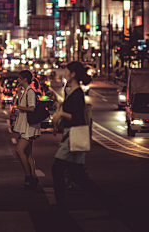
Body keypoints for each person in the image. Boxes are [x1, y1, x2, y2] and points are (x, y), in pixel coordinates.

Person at [52, 61, 114, 214]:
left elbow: (77, 118)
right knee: (78, 177)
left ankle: (61, 209)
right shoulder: (73, 92)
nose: (64, 74)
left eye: (66, 71)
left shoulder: (77, 93)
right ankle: (109, 203)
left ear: (73, 74)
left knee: (57, 171)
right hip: (71, 136)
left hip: (73, 137)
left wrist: (60, 114)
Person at [14, 70, 41, 190]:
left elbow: (31, 108)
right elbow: (20, 100)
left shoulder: (30, 91)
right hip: (25, 126)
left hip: (28, 127)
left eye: (19, 78)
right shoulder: (26, 91)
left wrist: (18, 107)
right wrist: (19, 90)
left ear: (25, 79)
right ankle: (33, 178)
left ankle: (28, 176)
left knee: (19, 151)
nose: (18, 80)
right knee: (28, 154)